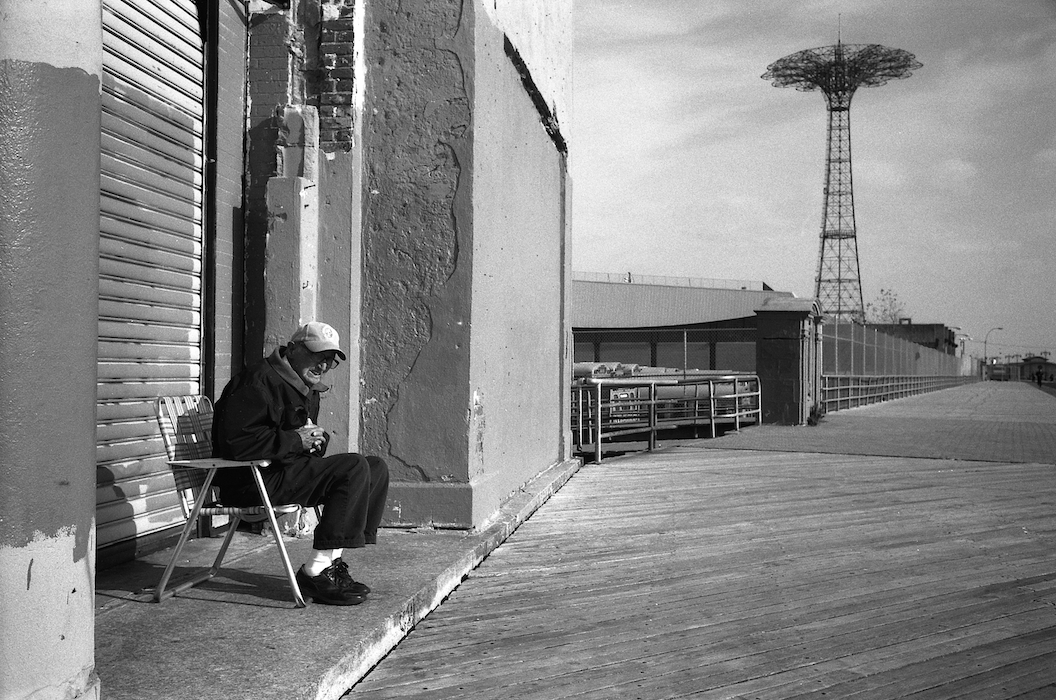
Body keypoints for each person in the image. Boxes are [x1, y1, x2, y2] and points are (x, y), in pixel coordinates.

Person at [212, 321, 389, 606]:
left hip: (282, 472)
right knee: (353, 466)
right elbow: (237, 443)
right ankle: (314, 573)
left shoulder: (305, 386)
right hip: (250, 481)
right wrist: (297, 441)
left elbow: (296, 438)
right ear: (292, 349)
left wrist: (315, 440)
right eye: (317, 357)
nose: (322, 366)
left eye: (329, 362)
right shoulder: (257, 381)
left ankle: (329, 565)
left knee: (375, 466)